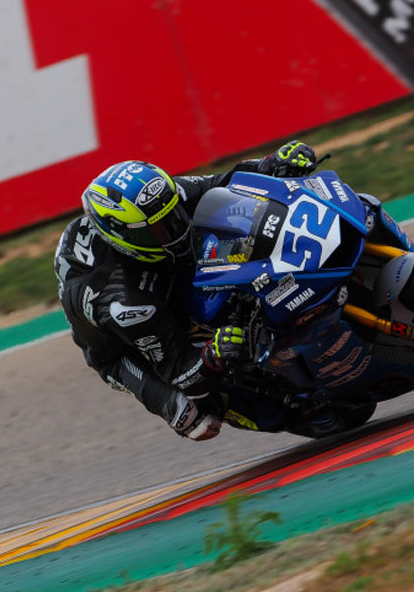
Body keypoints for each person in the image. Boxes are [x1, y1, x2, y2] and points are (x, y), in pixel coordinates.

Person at [55, 142, 319, 441]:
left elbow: (222, 183)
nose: (177, 228)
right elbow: (181, 372)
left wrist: (271, 163)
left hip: (157, 270)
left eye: (174, 216)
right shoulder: (125, 301)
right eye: (159, 229)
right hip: (123, 348)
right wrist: (213, 354)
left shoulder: (155, 202)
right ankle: (288, 410)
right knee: (196, 419)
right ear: (122, 238)